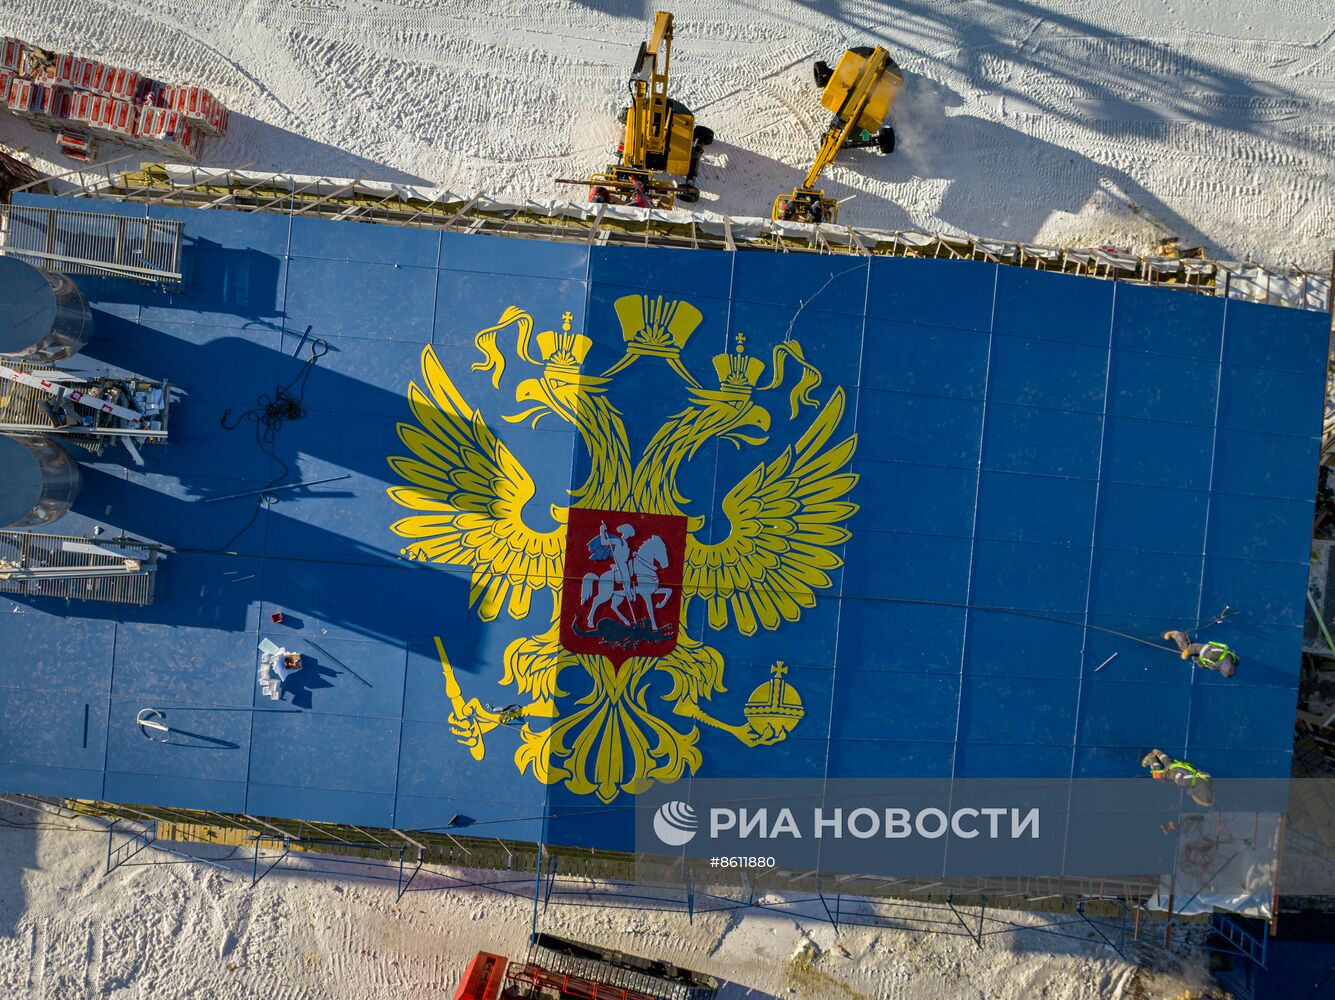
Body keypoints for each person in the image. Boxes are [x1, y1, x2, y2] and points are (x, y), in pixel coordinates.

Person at [1141, 749, 1214, 808]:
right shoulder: (1185, 782)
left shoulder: (1207, 780)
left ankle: (1158, 753)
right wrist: (1163, 776)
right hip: (1176, 770)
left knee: (1168, 763)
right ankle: (1151, 758)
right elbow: (1173, 775)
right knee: (1157, 775)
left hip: (1184, 766)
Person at [1163, 631, 1238, 677]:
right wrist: (1186, 653)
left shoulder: (1233, 661)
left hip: (1205, 659)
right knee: (1186, 648)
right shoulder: (1212, 655)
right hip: (1204, 652)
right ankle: (1176, 634)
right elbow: (1196, 647)